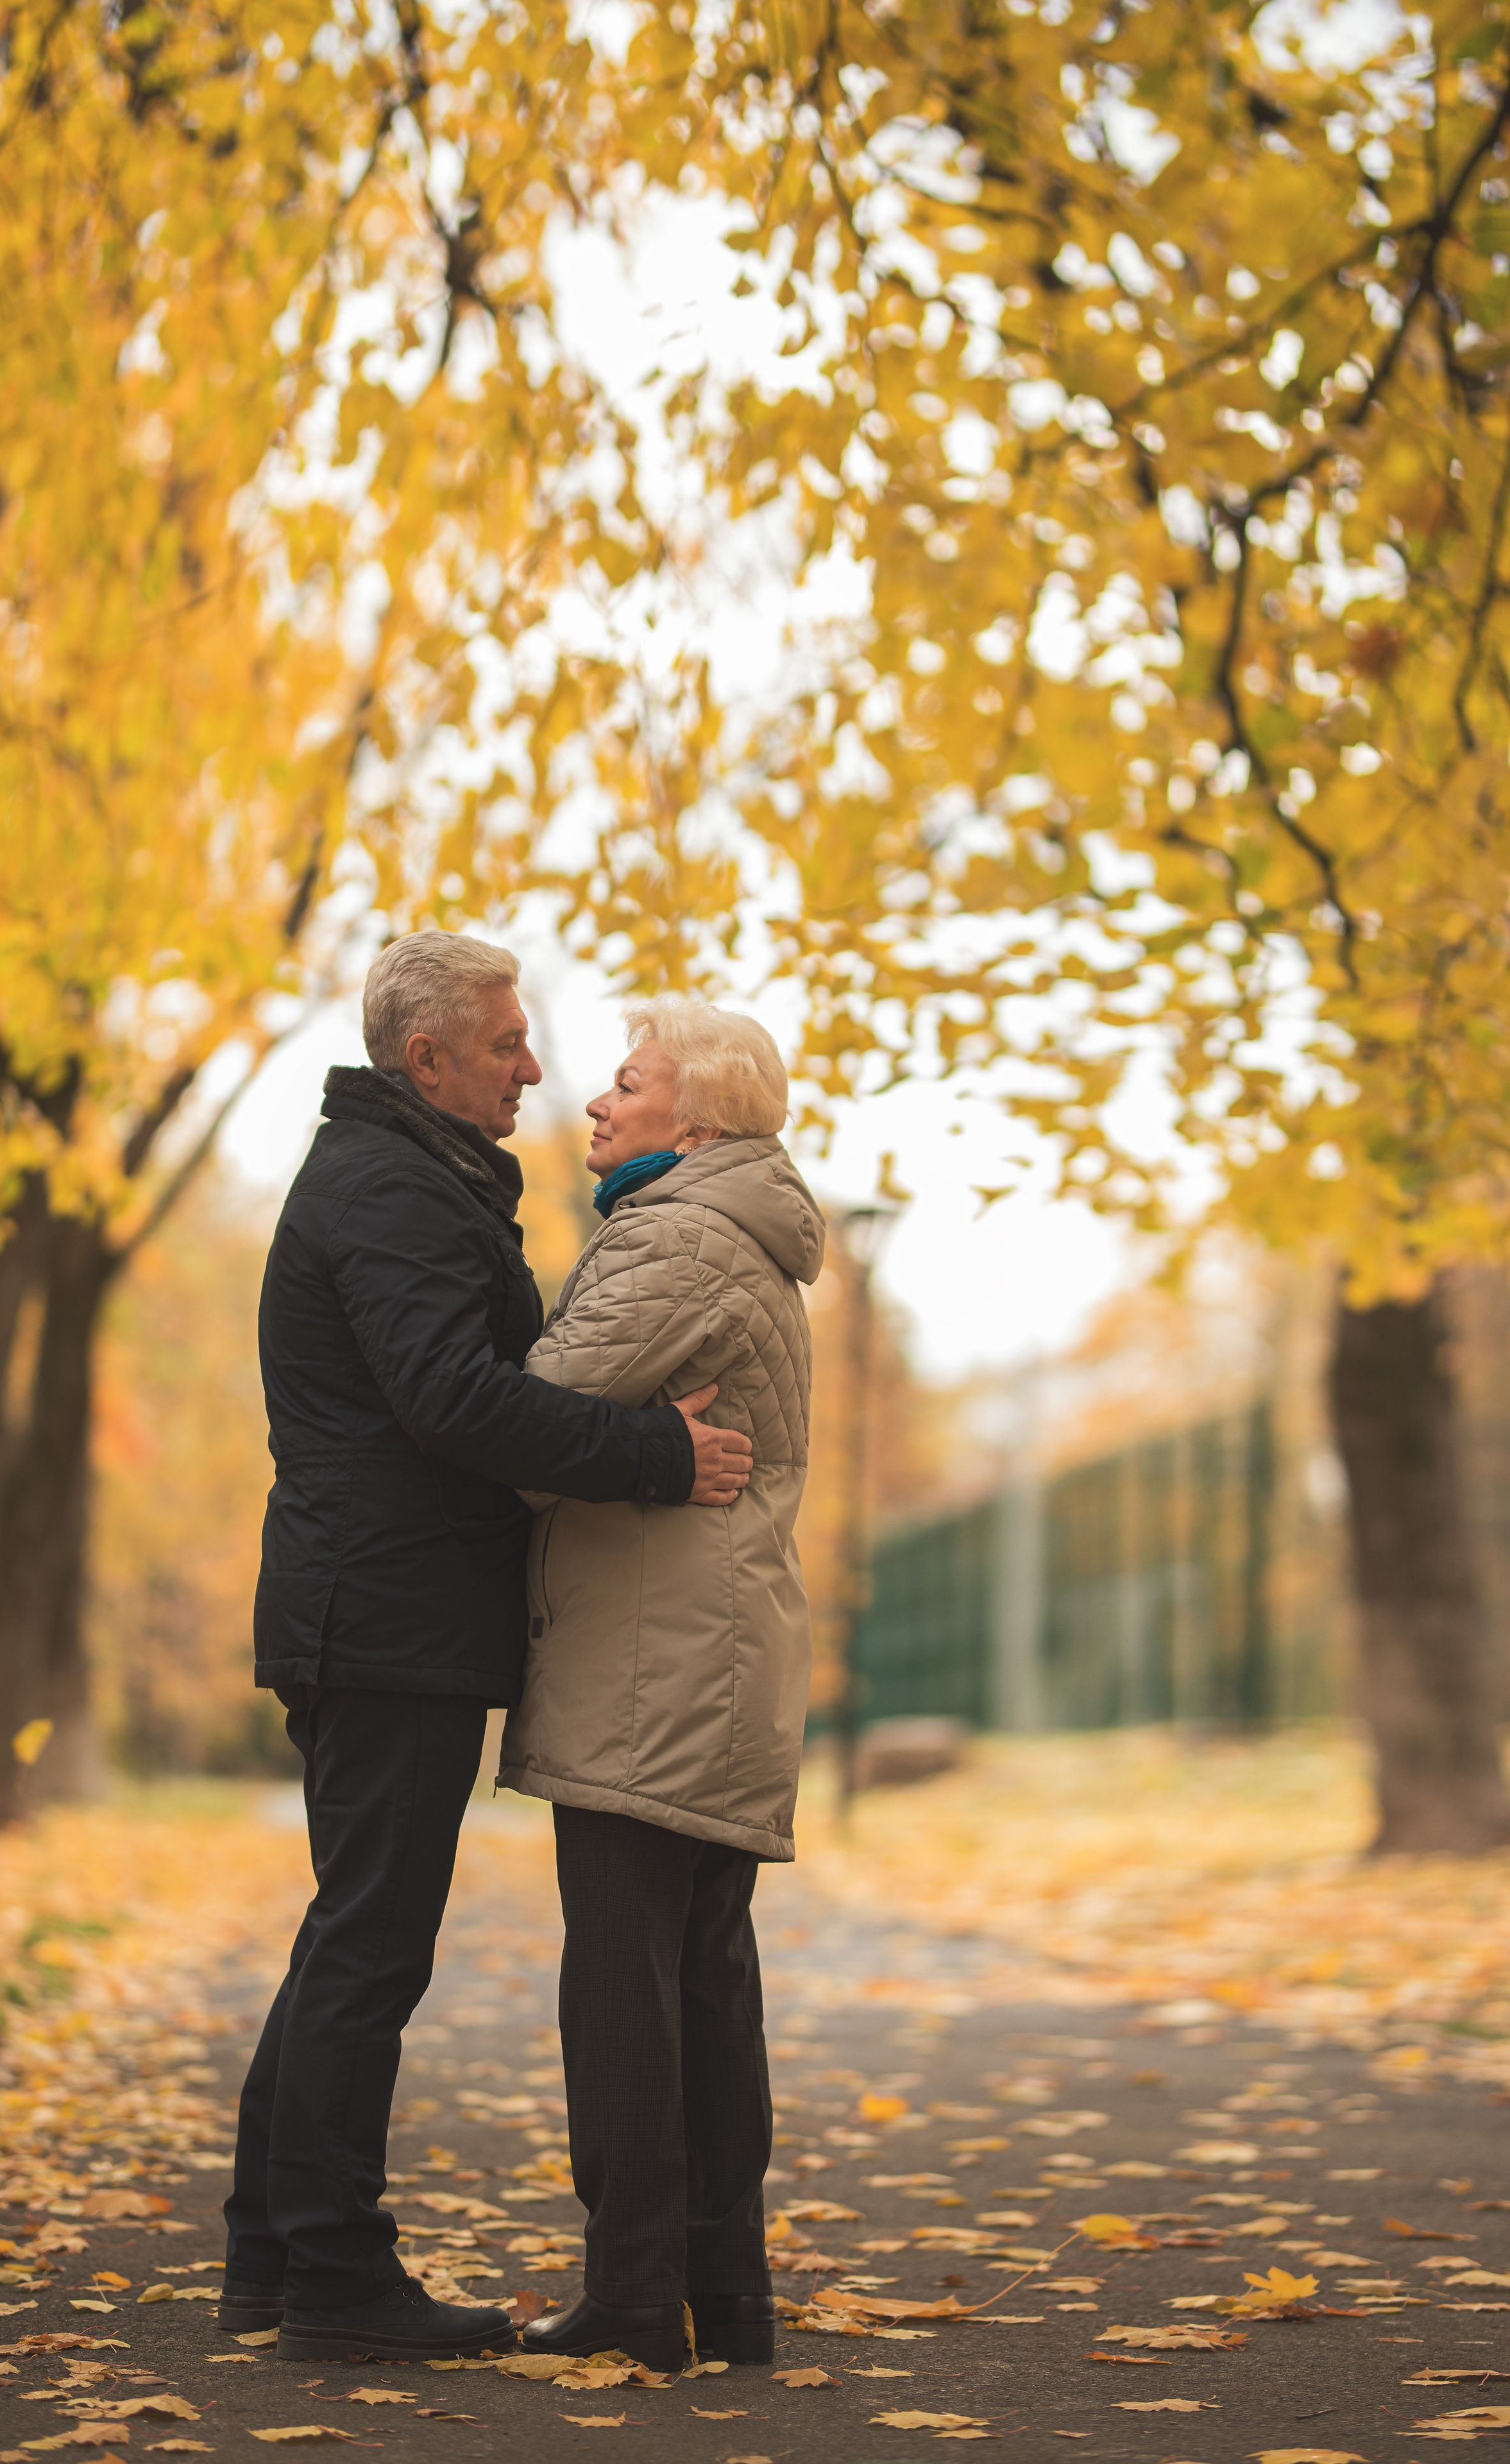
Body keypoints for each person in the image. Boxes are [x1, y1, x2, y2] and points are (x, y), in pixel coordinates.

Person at [219, 935, 754, 2367]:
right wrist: (653, 1450)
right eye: (507, 1042)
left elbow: (479, 1382)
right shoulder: (390, 1187)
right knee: (370, 1946)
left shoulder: (417, 1175)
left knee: (354, 1932)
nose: (533, 1065)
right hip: (384, 1622)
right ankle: (329, 2271)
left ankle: (274, 2253)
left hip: (387, 1612)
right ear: (429, 1060)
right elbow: (459, 1400)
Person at [498, 994, 825, 2373]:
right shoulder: (737, 1232)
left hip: (654, 1668)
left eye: (624, 1085)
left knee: (626, 1990)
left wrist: (608, 1438)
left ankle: (635, 2301)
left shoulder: (674, 1236)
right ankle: (723, 2295)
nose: (595, 1104)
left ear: (693, 1120)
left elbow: (523, 1419)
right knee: (701, 1982)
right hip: (715, 1655)